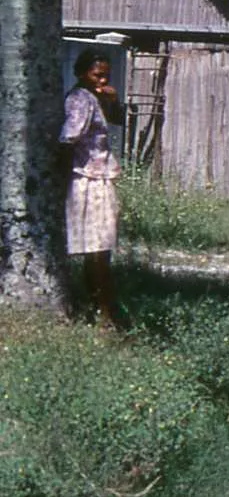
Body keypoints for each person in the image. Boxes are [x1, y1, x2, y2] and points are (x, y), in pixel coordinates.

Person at [61, 48, 124, 326]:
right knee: (97, 250)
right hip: (88, 180)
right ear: (81, 73)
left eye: (106, 76)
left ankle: (101, 308)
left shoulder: (96, 98)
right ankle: (104, 312)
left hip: (99, 177)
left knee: (100, 250)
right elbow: (68, 139)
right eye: (97, 75)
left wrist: (113, 100)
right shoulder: (80, 99)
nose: (102, 81)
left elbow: (118, 119)